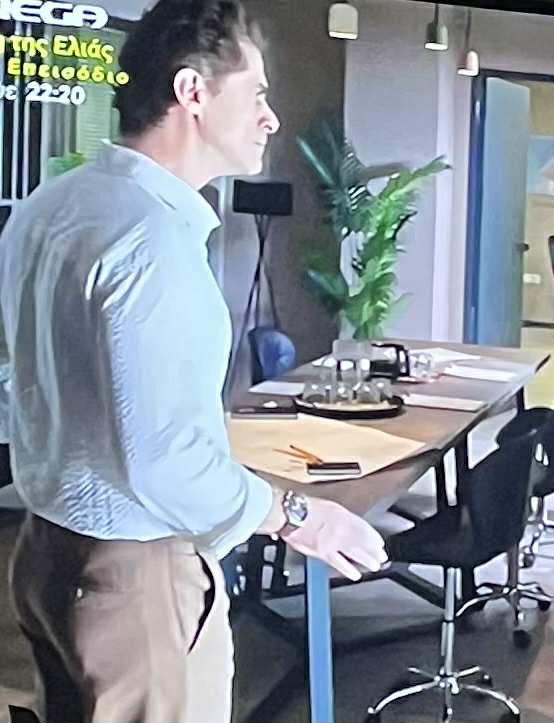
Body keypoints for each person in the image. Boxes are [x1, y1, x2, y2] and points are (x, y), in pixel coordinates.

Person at [0, 2, 388, 721]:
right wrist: (298, 517)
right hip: (136, 582)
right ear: (192, 91)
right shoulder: (151, 240)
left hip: (46, 556)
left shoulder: (49, 205)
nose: (271, 118)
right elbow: (164, 461)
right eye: (257, 93)